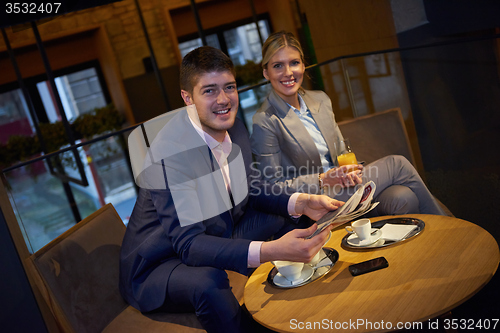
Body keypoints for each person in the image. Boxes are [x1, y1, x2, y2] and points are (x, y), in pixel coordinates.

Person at [119, 46, 343, 333]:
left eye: (229, 87)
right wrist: (268, 249)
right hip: (161, 261)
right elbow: (188, 245)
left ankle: (299, 311)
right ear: (187, 97)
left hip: (216, 229)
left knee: (290, 217)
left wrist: (300, 202)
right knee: (208, 283)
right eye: (209, 91)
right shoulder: (169, 155)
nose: (224, 100)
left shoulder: (233, 128)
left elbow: (250, 185)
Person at [250, 31, 446, 216]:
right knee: (398, 164)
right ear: (266, 72)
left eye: (294, 63)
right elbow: (273, 186)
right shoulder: (265, 121)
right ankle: (450, 228)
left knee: (403, 198)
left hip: (346, 189)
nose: (288, 72)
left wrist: (352, 170)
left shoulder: (320, 100)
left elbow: (342, 151)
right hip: (316, 203)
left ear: (303, 66)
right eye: (278, 66)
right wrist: (323, 179)